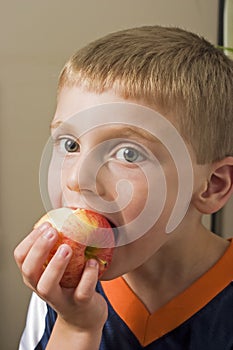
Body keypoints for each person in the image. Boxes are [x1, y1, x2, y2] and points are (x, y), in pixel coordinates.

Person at [14, 25, 233, 350]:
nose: (79, 178)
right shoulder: (58, 294)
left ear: (212, 186)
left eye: (128, 153)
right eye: (70, 144)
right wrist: (75, 329)